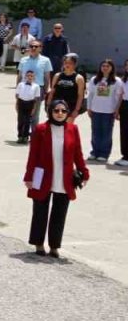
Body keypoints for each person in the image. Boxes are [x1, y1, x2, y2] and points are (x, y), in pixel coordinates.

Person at [24, 100, 88, 258]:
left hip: (64, 177)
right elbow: (33, 155)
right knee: (40, 211)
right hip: (42, 176)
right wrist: (29, 176)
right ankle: (38, 243)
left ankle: (54, 246)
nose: (60, 114)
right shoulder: (40, 129)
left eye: (63, 111)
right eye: (56, 110)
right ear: (50, 112)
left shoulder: (73, 129)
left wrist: (84, 172)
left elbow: (78, 153)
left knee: (59, 214)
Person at [86, 59, 123, 162]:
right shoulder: (94, 79)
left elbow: (118, 97)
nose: (105, 68)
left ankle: (104, 153)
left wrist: (117, 110)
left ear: (112, 68)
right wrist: (89, 108)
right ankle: (94, 152)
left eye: (108, 66)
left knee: (106, 133)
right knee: (95, 132)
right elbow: (90, 95)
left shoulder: (116, 81)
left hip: (109, 111)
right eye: (103, 66)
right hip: (95, 110)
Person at [48, 53, 85, 117]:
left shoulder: (79, 78)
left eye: (70, 63)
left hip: (70, 106)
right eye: (65, 63)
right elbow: (52, 91)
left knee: (68, 126)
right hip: (57, 105)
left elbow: (80, 95)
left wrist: (76, 110)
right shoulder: (57, 75)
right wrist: (48, 105)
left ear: (75, 65)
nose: (67, 65)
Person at [15, 70, 43, 144]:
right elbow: (17, 95)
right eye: (28, 76)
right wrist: (17, 105)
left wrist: (34, 108)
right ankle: (20, 136)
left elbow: (36, 99)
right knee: (20, 120)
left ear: (34, 77)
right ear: (25, 77)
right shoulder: (20, 84)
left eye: (31, 76)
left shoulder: (36, 86)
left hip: (30, 103)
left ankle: (25, 137)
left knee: (27, 121)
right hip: (21, 102)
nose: (29, 77)